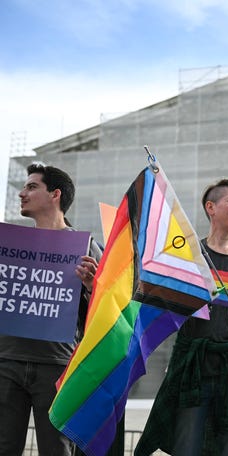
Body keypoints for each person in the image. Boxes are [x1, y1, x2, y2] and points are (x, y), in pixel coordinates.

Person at [135, 179, 228, 456]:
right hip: (192, 366)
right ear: (211, 207)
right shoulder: (188, 254)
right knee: (188, 444)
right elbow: (158, 300)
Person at [0, 164, 101, 456]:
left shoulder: (86, 248)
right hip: (7, 362)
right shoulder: (8, 247)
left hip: (58, 367)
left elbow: (110, 311)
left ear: (55, 194)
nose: (21, 193)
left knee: (56, 450)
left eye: (32, 187)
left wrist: (93, 286)